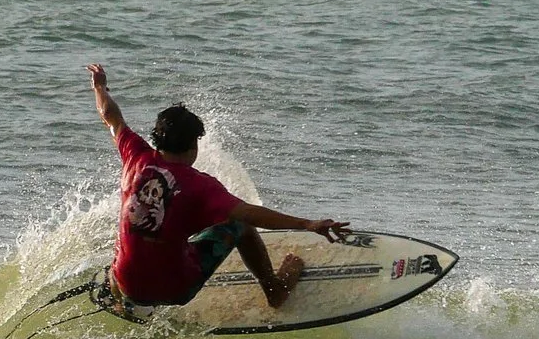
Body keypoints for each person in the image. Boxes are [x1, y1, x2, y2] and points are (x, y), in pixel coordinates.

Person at [88, 64, 349, 309]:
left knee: (140, 229)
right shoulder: (201, 186)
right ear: (193, 145)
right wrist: (307, 224)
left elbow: (110, 116)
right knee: (240, 226)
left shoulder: (135, 155)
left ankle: (123, 296)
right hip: (175, 290)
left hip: (125, 283)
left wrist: (99, 87)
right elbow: (249, 214)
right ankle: (274, 289)